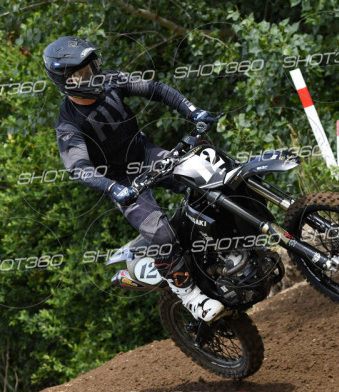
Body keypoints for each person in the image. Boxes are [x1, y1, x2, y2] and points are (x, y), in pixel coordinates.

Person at [43, 36, 225, 322]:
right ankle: (191, 298)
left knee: (209, 176)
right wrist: (112, 187)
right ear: (66, 81)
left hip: (146, 155)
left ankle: (225, 246)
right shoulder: (69, 124)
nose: (93, 74)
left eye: (92, 66)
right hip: (121, 180)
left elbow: (156, 89)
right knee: (162, 235)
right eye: (83, 72)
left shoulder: (111, 81)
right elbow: (78, 167)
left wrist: (193, 111)